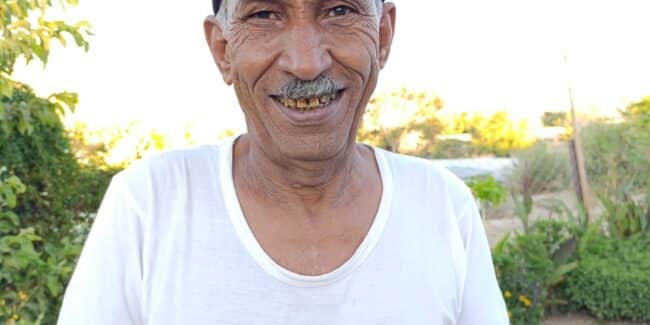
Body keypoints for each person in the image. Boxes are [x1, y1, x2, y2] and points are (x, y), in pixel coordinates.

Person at [57, 0, 509, 324]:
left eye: (339, 11)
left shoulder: (441, 204)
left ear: (383, 36)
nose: (306, 63)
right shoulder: (151, 204)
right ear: (222, 50)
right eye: (264, 14)